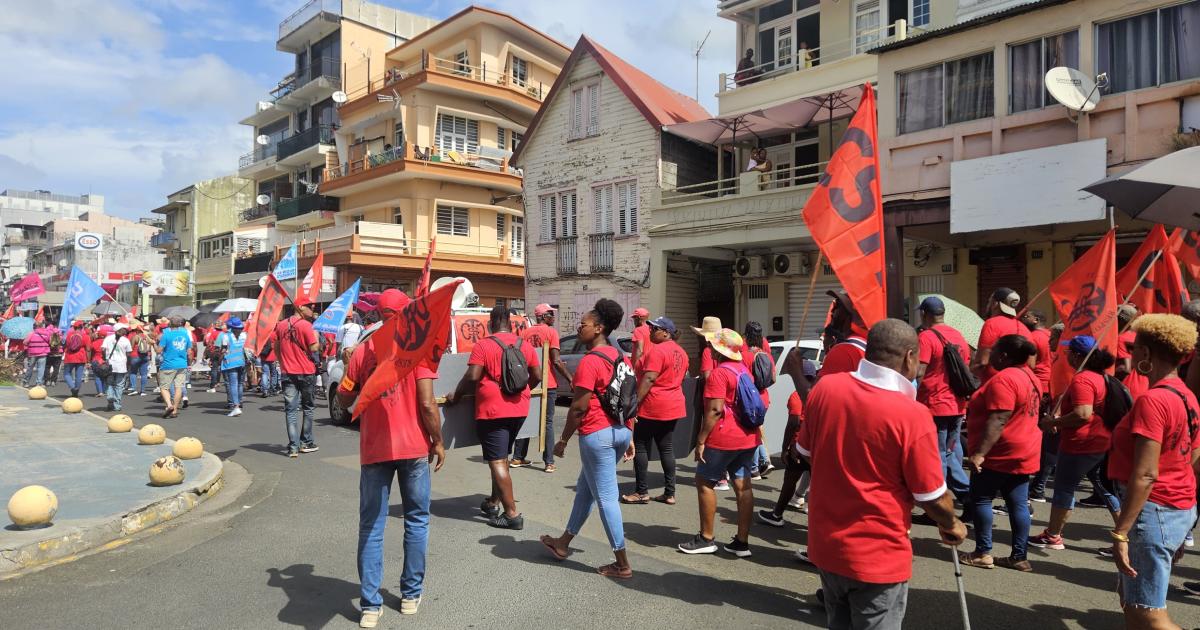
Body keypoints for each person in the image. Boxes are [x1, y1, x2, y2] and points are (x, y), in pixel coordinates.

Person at [797, 319, 966, 627]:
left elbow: (806, 453)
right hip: (877, 556)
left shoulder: (826, 388)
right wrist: (951, 522)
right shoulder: (912, 415)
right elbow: (931, 497)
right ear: (909, 357)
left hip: (826, 547)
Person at [337, 289, 444, 626]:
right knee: (417, 520)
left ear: (378, 315)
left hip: (374, 449)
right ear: (407, 312)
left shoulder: (363, 350)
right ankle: (410, 596)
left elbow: (343, 399)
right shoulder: (418, 348)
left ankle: (370, 606)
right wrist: (438, 441)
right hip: (413, 448)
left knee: (372, 525)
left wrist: (349, 367)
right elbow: (427, 403)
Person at [1107, 314, 1199, 629]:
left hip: (1155, 510)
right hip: (1176, 507)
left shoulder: (1153, 400)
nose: (1130, 353)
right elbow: (1193, 457)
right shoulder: (1186, 395)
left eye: (1134, 348)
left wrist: (1120, 532)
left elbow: (1146, 474)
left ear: (1145, 353)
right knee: (1132, 600)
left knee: (1147, 611)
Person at [540, 299, 635, 579]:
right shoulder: (622, 358)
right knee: (585, 490)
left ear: (599, 328)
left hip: (597, 434)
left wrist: (563, 440)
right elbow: (628, 398)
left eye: (584, 324)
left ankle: (622, 564)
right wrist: (629, 434)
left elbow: (579, 408)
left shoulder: (590, 361)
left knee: (606, 498)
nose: (579, 328)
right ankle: (563, 543)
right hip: (620, 432)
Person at [445, 305, 541, 530]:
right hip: (520, 409)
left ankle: (512, 514)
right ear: (510, 324)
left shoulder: (484, 345)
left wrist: (456, 395)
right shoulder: (524, 345)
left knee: (497, 461)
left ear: (490, 324)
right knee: (502, 457)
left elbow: (473, 376)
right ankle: (493, 502)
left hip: (493, 411)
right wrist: (519, 390)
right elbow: (537, 375)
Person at [1029, 336, 1121, 552]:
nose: (1066, 355)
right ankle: (1126, 536)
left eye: (1068, 352)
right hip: (1098, 441)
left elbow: (1082, 414)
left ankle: (1053, 535)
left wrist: (1053, 422)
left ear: (1078, 356)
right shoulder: (1099, 376)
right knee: (1105, 490)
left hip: (1081, 443)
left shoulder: (1083, 379)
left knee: (1064, 488)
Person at [960, 334, 1041, 572]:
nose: (990, 354)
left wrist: (979, 453)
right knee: (1018, 504)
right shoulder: (1029, 375)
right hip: (1024, 448)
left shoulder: (1004, 379)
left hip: (1001, 451)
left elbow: (999, 418)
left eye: (994, 350)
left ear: (1003, 356)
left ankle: (982, 552)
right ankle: (1019, 556)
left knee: (982, 498)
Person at [677, 328, 759, 558]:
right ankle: (742, 542)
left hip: (724, 437)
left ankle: (706, 538)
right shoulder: (744, 370)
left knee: (704, 482)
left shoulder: (719, 373)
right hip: (748, 436)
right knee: (744, 486)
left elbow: (714, 410)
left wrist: (701, 440)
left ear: (719, 350)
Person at [622, 316, 688, 505]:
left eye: (655, 329)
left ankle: (641, 492)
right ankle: (670, 492)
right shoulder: (681, 352)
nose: (650, 331)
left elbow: (649, 378)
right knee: (666, 447)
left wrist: (634, 402)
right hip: (673, 404)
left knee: (641, 445)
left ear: (666, 333)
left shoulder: (657, 351)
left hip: (653, 404)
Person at [915, 297, 971, 507]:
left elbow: (919, 371)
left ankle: (939, 504)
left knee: (937, 456)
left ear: (924, 314)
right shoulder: (958, 336)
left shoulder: (926, 337)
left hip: (934, 404)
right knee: (948, 453)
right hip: (957, 404)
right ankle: (969, 498)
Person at [757, 359, 817, 527]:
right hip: (817, 447)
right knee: (818, 485)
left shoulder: (797, 395)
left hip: (799, 446)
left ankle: (777, 514)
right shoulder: (820, 394)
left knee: (790, 481)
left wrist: (785, 448)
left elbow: (793, 422)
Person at [512, 303, 571, 472]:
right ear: (543, 316)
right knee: (547, 422)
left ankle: (517, 457)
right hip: (547, 383)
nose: (554, 317)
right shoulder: (551, 332)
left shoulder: (524, 333)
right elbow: (556, 360)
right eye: (551, 314)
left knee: (525, 418)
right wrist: (570, 378)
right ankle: (549, 462)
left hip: (529, 382)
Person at [274, 306, 321, 458]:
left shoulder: (281, 325)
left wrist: (283, 363)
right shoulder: (306, 325)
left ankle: (293, 447)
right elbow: (314, 348)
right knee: (308, 408)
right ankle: (306, 442)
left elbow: (276, 346)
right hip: (306, 372)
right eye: (310, 306)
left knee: (291, 410)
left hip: (288, 372)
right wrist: (317, 337)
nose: (312, 309)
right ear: (301, 308)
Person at [1022, 308, 1057, 502]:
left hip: (1038, 386)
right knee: (1046, 436)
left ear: (1036, 319)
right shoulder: (1051, 334)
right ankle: (1038, 483)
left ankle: (1033, 483)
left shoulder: (1033, 337)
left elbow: (1030, 364)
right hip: (1051, 386)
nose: (1023, 317)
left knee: (1034, 434)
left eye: (1026, 315)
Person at [972, 287, 1029, 383]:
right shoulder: (1024, 328)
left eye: (989, 301)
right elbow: (1031, 364)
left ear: (995, 304)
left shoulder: (991, 324)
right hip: (1022, 382)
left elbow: (982, 361)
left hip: (995, 382)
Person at [741, 321, 774, 478]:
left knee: (751, 433)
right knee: (756, 431)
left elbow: (743, 379)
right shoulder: (766, 354)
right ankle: (764, 461)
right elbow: (773, 378)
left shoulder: (744, 354)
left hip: (751, 399)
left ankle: (754, 469)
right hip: (764, 398)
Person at [157, 316, 192, 419]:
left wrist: (154, 344)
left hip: (168, 364)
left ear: (169, 324)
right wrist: (189, 363)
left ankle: (169, 405)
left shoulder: (166, 335)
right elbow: (189, 351)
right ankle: (175, 410)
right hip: (182, 364)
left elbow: (159, 351)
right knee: (179, 387)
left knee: (164, 387)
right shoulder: (185, 335)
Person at [218, 317, 249, 417]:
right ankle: (239, 402)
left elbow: (223, 350)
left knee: (233, 384)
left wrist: (219, 360)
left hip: (231, 363)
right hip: (242, 362)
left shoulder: (226, 336)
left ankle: (236, 407)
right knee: (240, 384)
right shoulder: (244, 335)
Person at [102, 324, 133, 412]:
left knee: (109, 383)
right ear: (119, 330)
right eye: (124, 329)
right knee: (119, 385)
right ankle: (117, 405)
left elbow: (103, 349)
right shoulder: (125, 340)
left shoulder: (108, 338)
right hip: (121, 365)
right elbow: (129, 354)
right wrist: (128, 365)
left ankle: (110, 396)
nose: (125, 330)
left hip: (110, 364)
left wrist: (105, 359)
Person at [62, 320, 91, 398]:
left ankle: (72, 388)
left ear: (74, 327)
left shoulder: (69, 335)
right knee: (79, 376)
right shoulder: (85, 336)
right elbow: (88, 349)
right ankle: (76, 390)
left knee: (67, 373)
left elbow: (66, 345)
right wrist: (88, 360)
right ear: (82, 327)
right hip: (81, 357)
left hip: (70, 356)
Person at [22, 323, 52, 387]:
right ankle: (39, 383)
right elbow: (50, 342)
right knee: (41, 368)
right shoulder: (46, 333)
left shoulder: (32, 333)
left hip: (33, 353)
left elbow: (25, 342)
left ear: (35, 327)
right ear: (42, 326)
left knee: (30, 368)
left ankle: (26, 382)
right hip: (43, 352)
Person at [1114, 304, 1139, 380]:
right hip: (1143, 384)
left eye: (1116, 318)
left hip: (1126, 384)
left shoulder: (1121, 338)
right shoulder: (1138, 336)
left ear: (1121, 320)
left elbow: (1125, 369)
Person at [205, 322, 225, 393]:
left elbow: (209, 344)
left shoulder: (213, 333)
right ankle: (218, 382)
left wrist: (206, 354)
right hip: (224, 352)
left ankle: (213, 386)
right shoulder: (224, 333)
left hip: (215, 352)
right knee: (221, 368)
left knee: (214, 369)